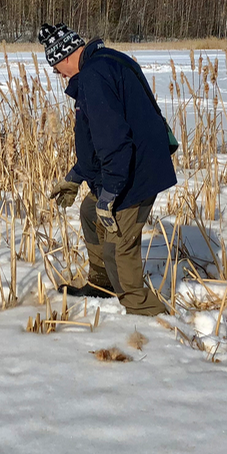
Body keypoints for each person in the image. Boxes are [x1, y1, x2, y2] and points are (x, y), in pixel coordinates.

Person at [41, 23, 176, 316]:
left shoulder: (94, 76)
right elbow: (97, 139)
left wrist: (110, 194)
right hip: (127, 165)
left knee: (118, 248)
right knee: (90, 213)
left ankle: (147, 315)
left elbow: (114, 141)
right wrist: (77, 176)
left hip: (135, 172)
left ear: (64, 57)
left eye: (55, 68)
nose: (59, 76)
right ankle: (102, 285)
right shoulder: (103, 63)